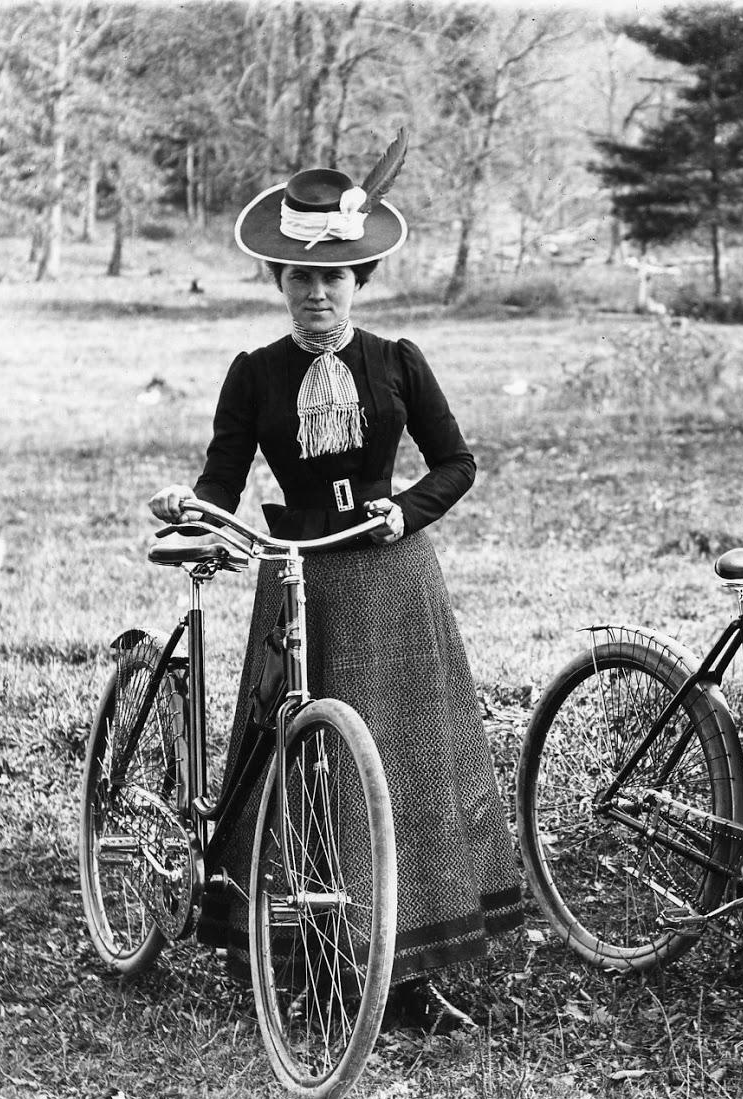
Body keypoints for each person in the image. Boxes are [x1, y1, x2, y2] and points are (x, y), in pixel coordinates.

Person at [150, 134, 522, 1034]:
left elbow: (457, 463)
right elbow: (222, 478)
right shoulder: (255, 375)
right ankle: (314, 959)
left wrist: (408, 510)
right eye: (298, 280)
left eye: (336, 280)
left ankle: (412, 967)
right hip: (301, 577)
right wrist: (192, 508)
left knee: (403, 759)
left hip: (393, 578)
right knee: (309, 763)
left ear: (364, 279)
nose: (317, 296)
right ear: (278, 283)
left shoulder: (399, 361)